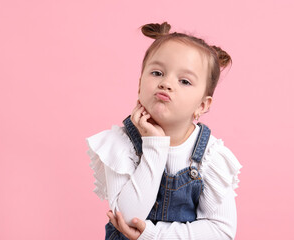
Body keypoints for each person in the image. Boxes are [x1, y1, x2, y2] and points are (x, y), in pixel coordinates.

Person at [86, 22, 243, 240]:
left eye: (184, 81)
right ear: (140, 85)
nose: (166, 83)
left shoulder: (209, 156)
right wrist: (155, 147)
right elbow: (128, 217)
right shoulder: (121, 144)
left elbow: (220, 231)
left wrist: (153, 234)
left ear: (202, 106)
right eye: (158, 73)